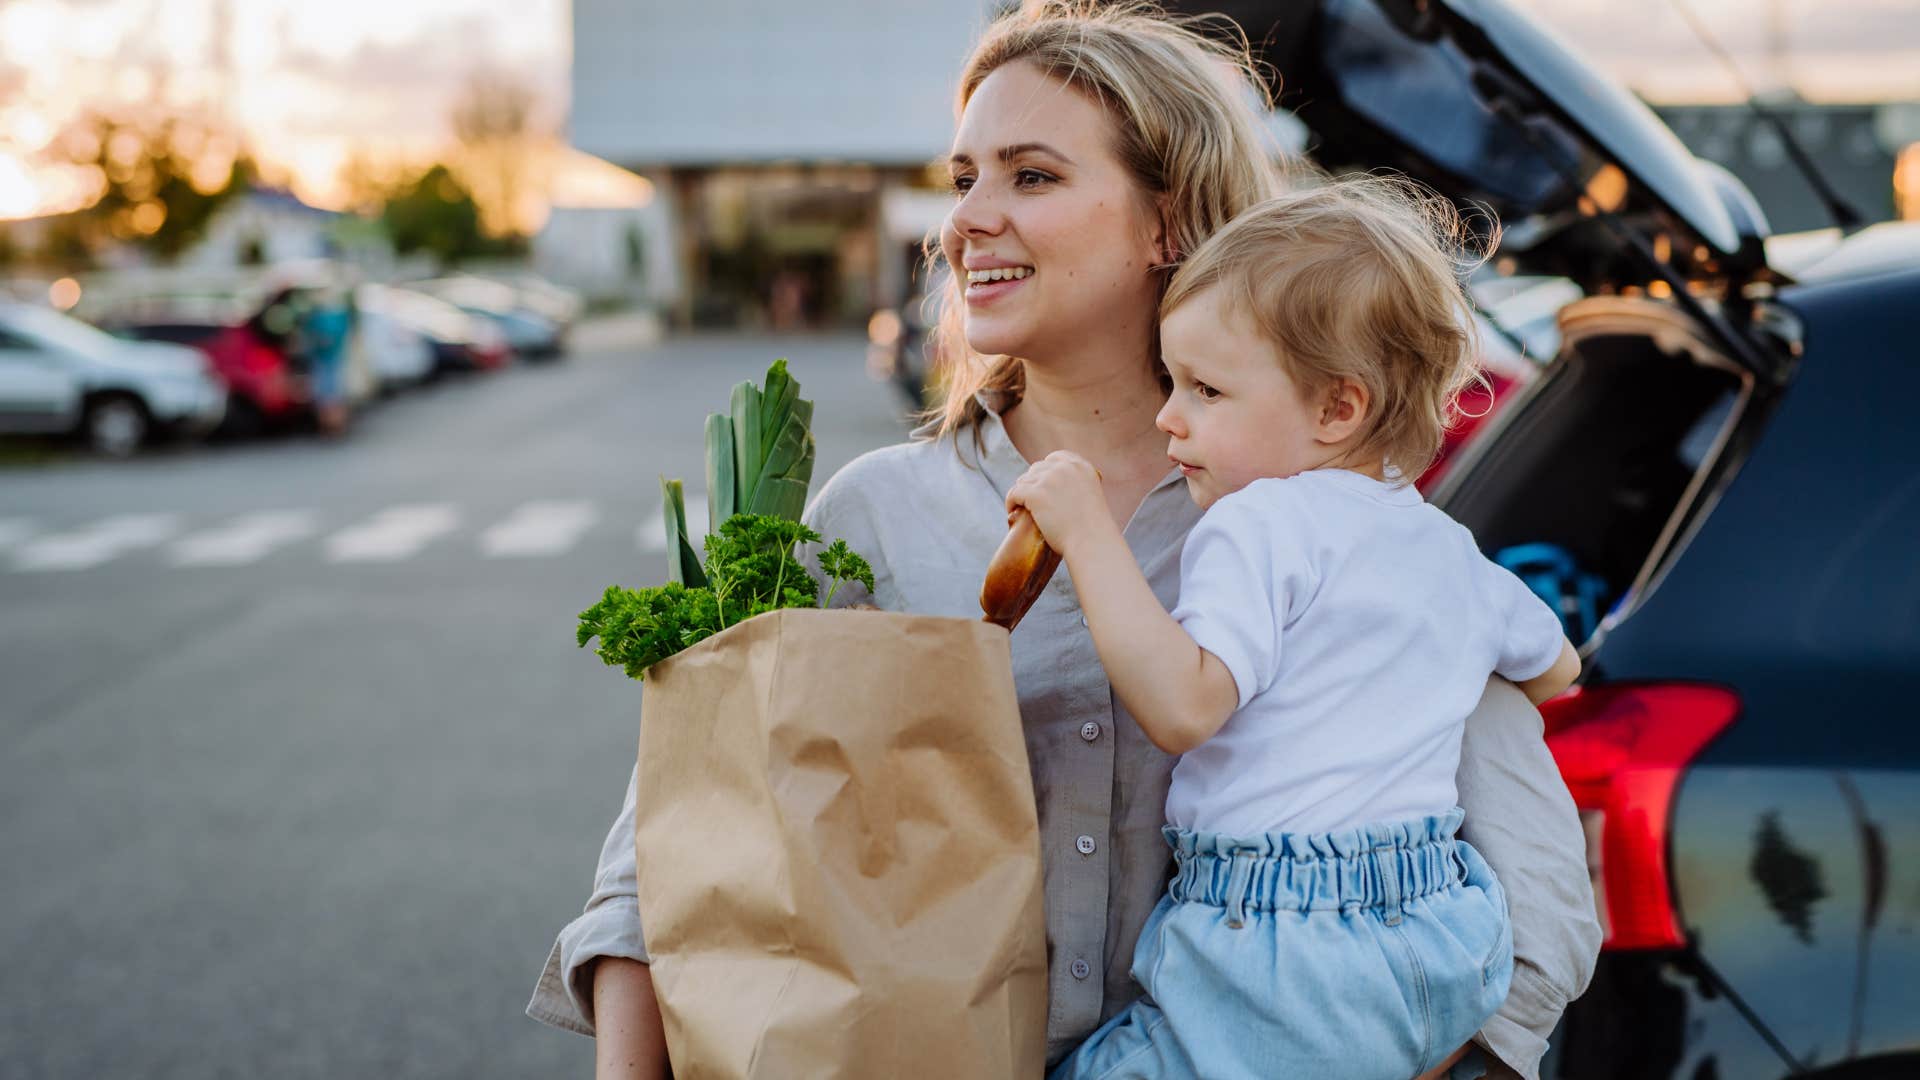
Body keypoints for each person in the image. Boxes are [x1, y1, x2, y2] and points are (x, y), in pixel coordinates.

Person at [528, 5, 1602, 1078]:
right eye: (964, 181)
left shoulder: (1329, 517)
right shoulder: (879, 520)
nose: (966, 222)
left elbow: (1538, 871)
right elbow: (673, 852)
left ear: (1166, 225)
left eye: (1030, 177)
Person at [1009, 179, 1581, 1080]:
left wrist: (1085, 530)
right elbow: (1557, 670)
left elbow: (1184, 706)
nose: (1170, 417)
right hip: (1445, 933)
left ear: (1335, 410)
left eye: (1205, 390)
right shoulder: (1448, 547)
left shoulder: (1260, 522)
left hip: (1279, 947)